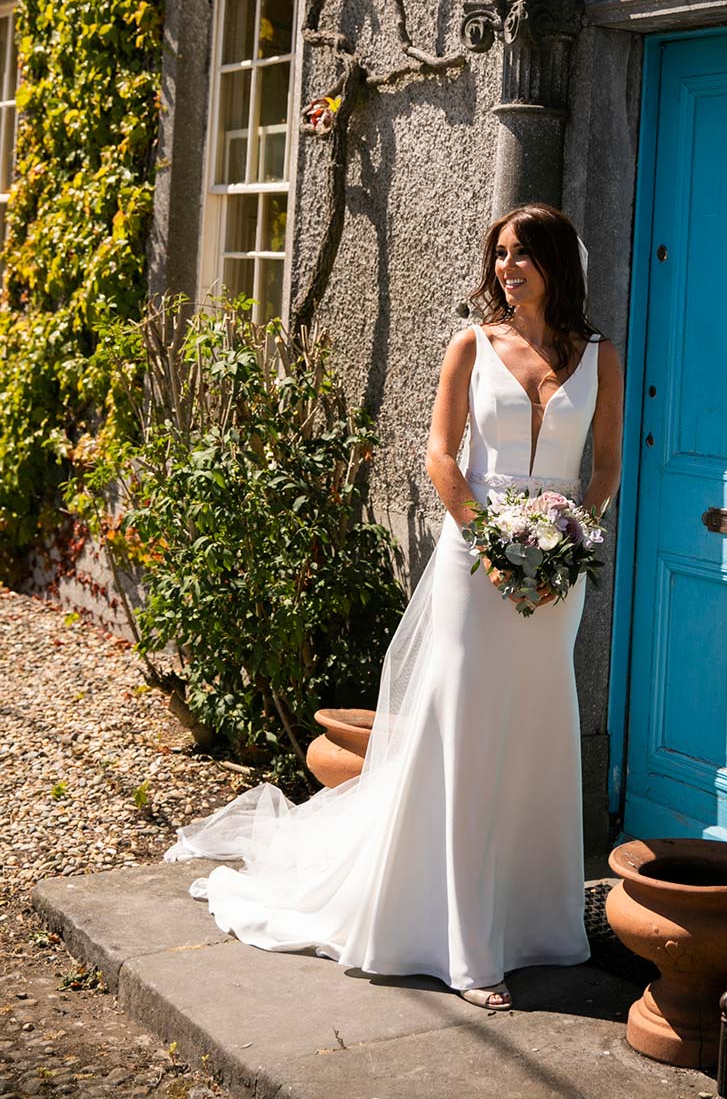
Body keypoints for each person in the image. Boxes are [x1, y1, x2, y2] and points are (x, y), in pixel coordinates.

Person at [164, 202, 624, 1014]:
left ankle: (532, 923)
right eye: (500, 254)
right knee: (465, 732)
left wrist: (569, 542)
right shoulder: (471, 345)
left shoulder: (600, 358)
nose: (507, 267)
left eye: (522, 253)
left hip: (557, 571)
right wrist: (491, 541)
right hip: (474, 564)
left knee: (537, 732)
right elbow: (441, 456)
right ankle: (465, 945)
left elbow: (607, 464)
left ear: (557, 262)